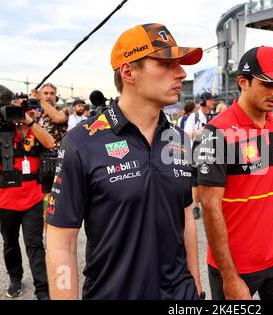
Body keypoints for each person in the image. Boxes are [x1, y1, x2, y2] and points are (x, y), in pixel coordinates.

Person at [45, 23, 204, 300]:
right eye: (167, 64)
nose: (181, 73)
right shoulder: (82, 142)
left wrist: (197, 287)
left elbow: (186, 215)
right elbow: (61, 242)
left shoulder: (178, 138)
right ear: (129, 72)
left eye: (179, 64)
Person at [197, 46, 273, 300]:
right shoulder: (216, 132)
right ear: (243, 82)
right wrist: (229, 276)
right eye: (268, 84)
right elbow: (210, 207)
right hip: (234, 264)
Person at [0, 85, 55, 300]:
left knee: (35, 244)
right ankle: (15, 278)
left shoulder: (34, 127)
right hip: (5, 198)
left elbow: (50, 142)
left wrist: (29, 122)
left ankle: (43, 289)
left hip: (33, 198)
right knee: (10, 243)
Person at [184, 92, 214, 219]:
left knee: (210, 181)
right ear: (204, 101)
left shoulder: (214, 116)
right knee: (195, 183)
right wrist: (198, 132)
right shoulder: (194, 117)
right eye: (211, 100)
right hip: (195, 153)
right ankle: (196, 206)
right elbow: (185, 135)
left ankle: (209, 204)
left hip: (211, 153)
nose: (213, 102)